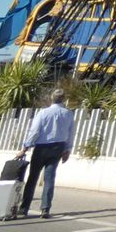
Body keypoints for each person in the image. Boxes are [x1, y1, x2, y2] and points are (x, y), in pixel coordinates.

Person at [16, 87, 75, 219]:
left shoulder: (43, 113)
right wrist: (67, 150)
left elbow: (34, 131)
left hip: (42, 147)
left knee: (33, 177)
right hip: (58, 147)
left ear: (51, 98)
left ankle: (24, 207)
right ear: (63, 100)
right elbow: (71, 134)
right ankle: (45, 208)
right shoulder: (68, 114)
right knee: (50, 178)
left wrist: (25, 148)